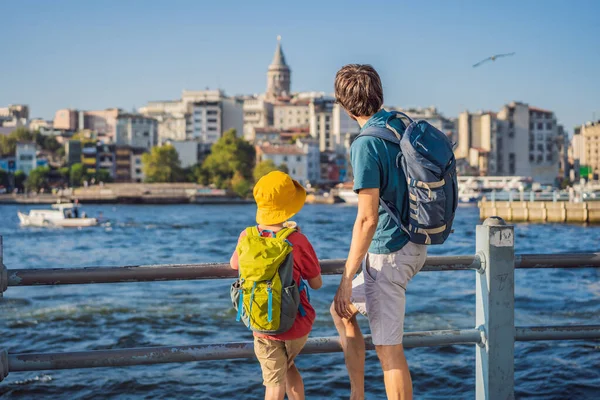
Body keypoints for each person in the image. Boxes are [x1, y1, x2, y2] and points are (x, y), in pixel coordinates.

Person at [331, 64, 428, 400]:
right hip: (415, 244)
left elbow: (366, 219)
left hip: (389, 255)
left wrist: (346, 276)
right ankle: (357, 394)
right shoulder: (400, 123)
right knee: (340, 310)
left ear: (343, 106)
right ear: (379, 93)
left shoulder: (366, 144)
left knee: (389, 353)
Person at [230, 171, 322, 400]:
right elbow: (317, 283)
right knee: (287, 368)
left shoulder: (246, 236)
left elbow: (234, 265)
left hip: (261, 321)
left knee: (274, 381)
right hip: (297, 323)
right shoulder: (298, 240)